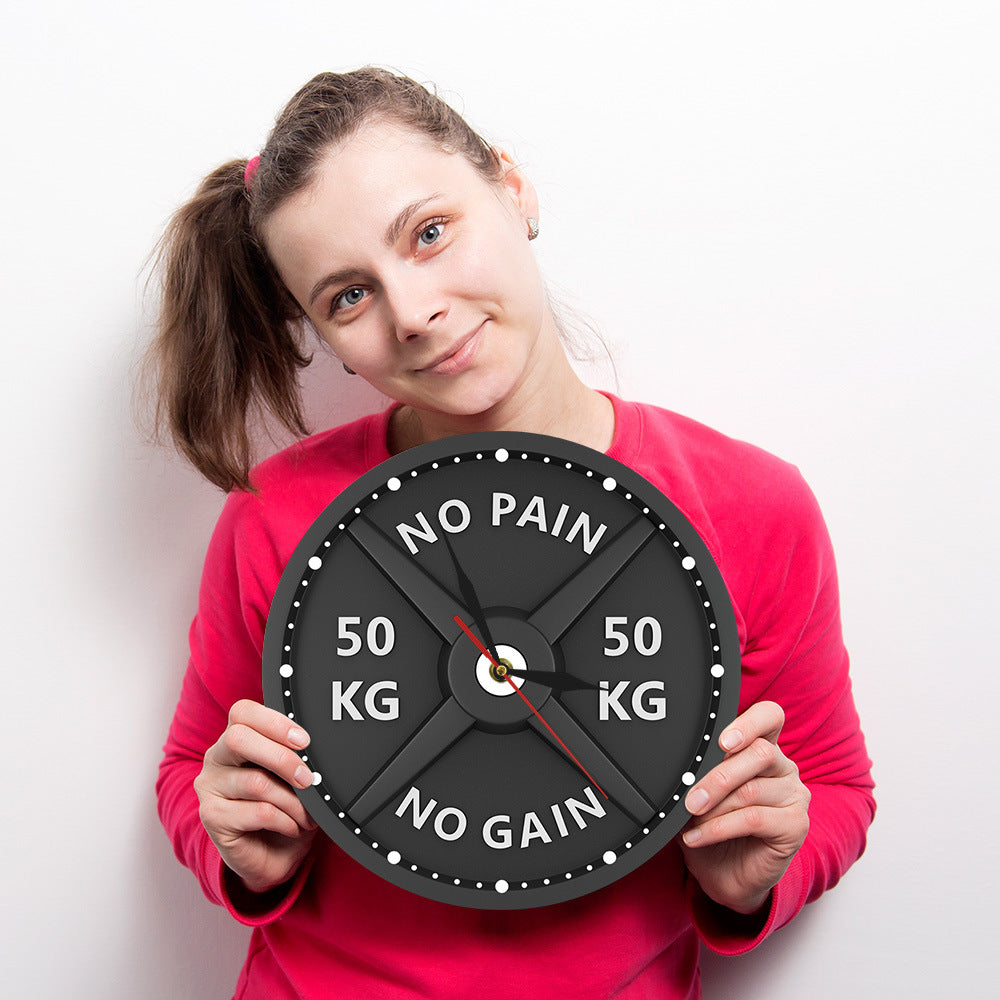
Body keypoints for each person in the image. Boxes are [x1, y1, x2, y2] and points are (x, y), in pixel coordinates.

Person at [151, 67, 875, 999]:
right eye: (347, 296)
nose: (413, 313)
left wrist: (756, 874)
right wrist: (242, 843)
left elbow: (834, 789)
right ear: (325, 339)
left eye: (430, 233)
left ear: (512, 186)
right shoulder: (277, 513)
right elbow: (190, 769)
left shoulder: (752, 507)